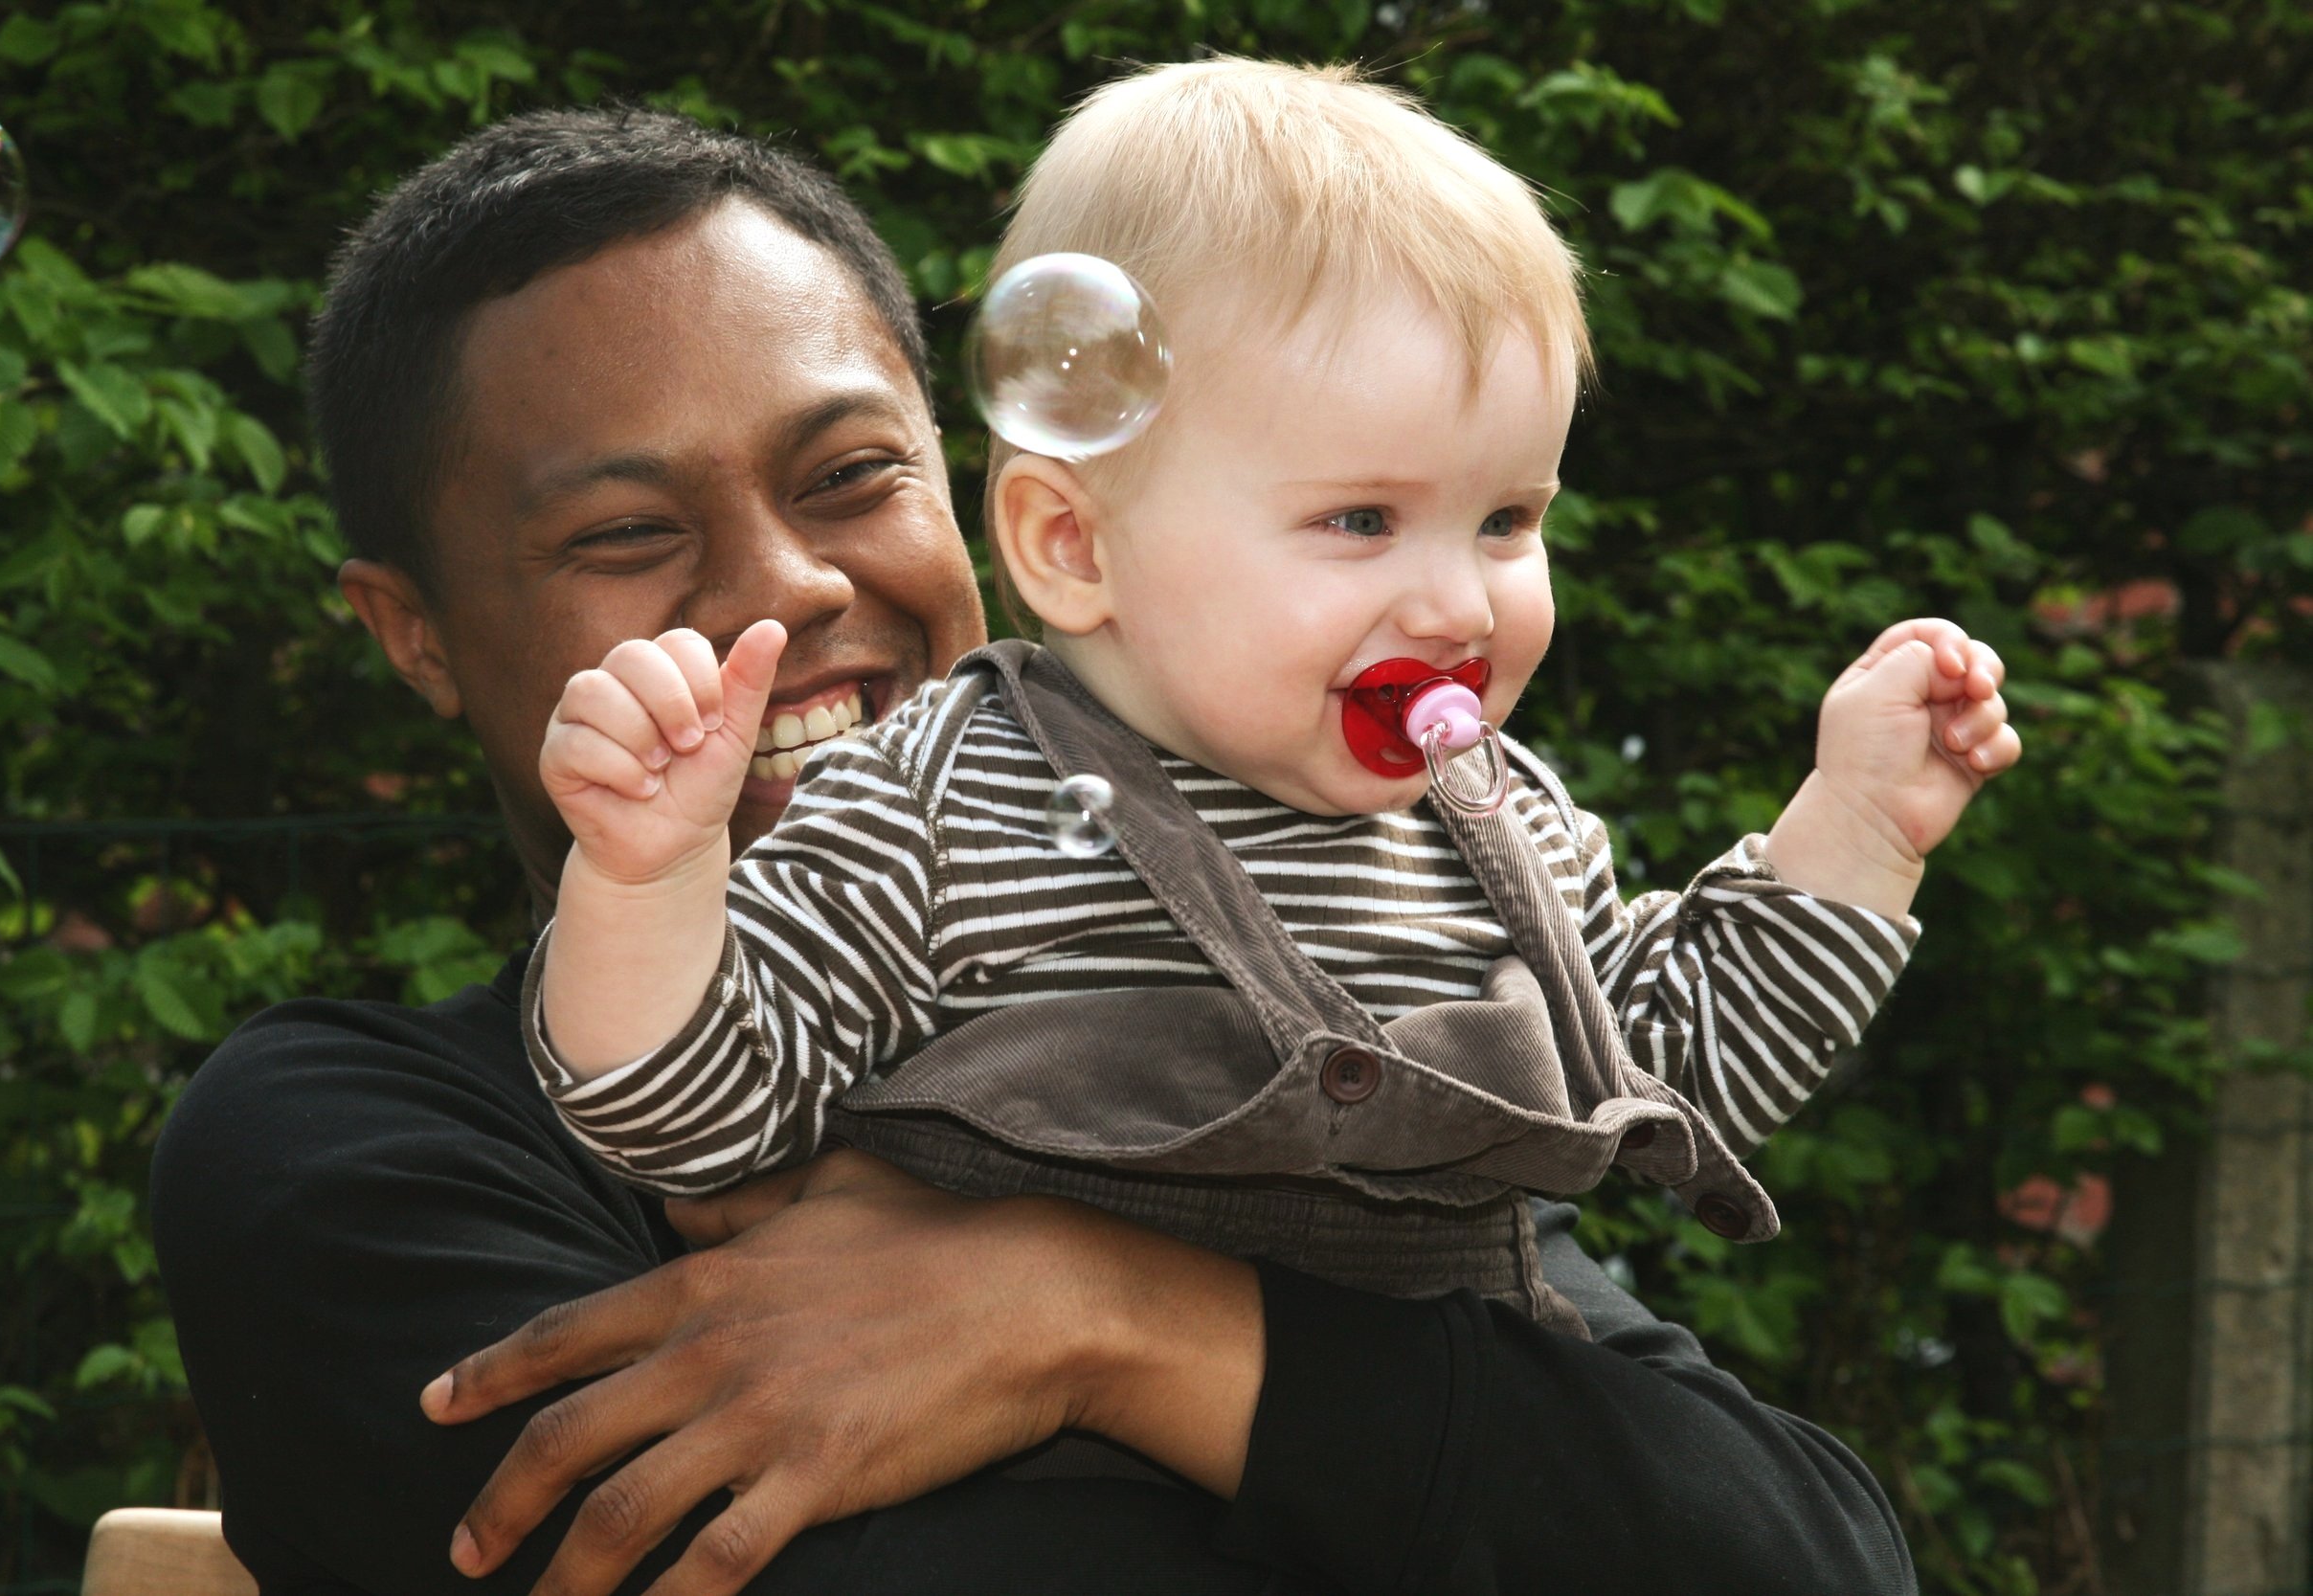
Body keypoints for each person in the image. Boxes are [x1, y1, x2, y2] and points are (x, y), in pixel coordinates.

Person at [150, 103, 1928, 1596]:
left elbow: (1807, 1555)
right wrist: (1349, 1425)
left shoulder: (1274, 1049)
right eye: (626, 529)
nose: (795, 581)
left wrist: (1095, 1317)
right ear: (417, 635)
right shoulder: (357, 1143)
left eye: (851, 474)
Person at [524, 60, 2015, 1343]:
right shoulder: (930, 805)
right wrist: (647, 880)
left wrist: (1859, 834)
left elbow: (1681, 1070)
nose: (1459, 603)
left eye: (1506, 520)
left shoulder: (1506, 830)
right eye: (1361, 521)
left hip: (1422, 1489)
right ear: (1076, 546)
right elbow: (690, 1118)